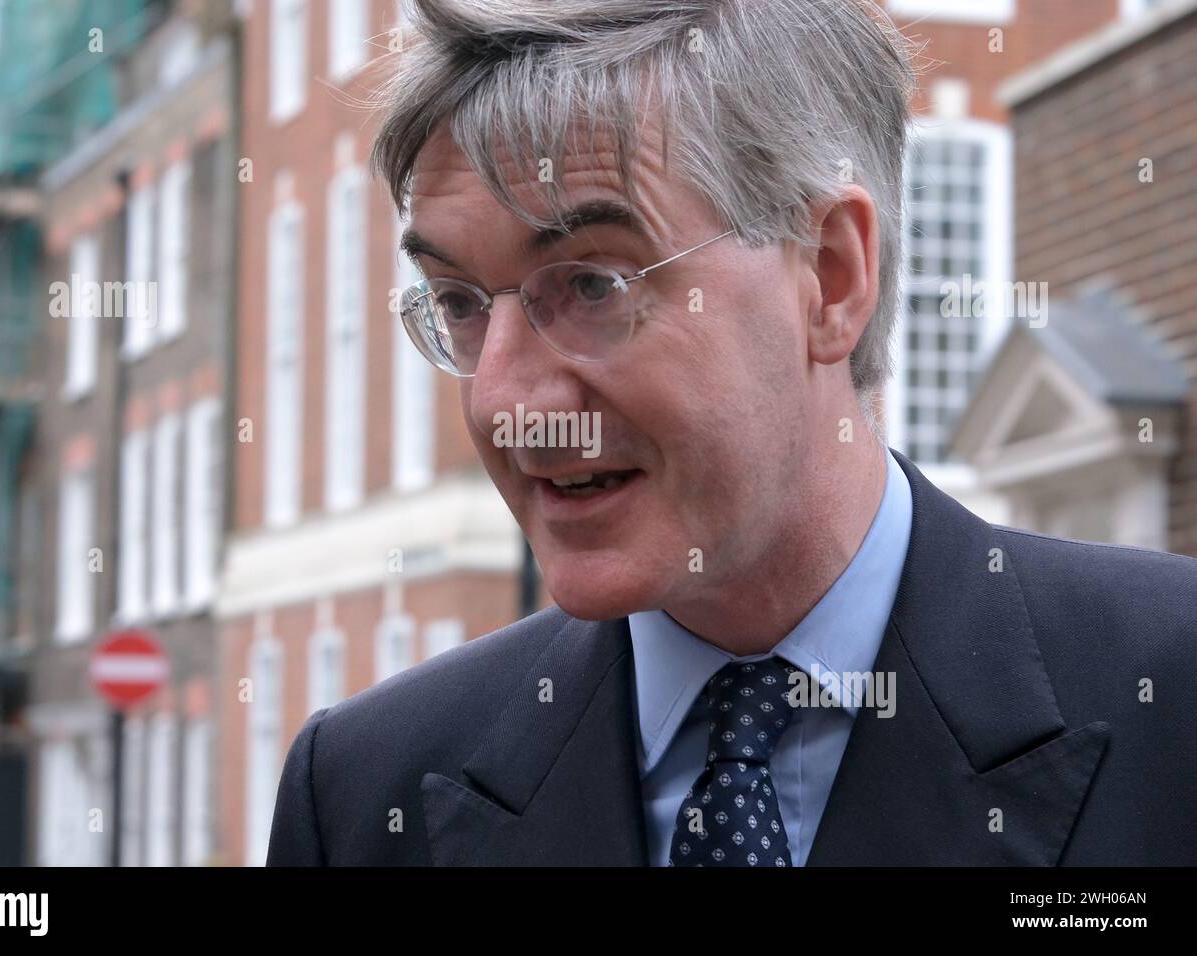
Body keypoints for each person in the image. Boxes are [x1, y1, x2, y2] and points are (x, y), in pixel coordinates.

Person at [267, 0, 1197, 866]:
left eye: (593, 285)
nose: (504, 402)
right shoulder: (360, 794)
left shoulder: (1171, 695)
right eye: (459, 302)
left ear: (830, 277)